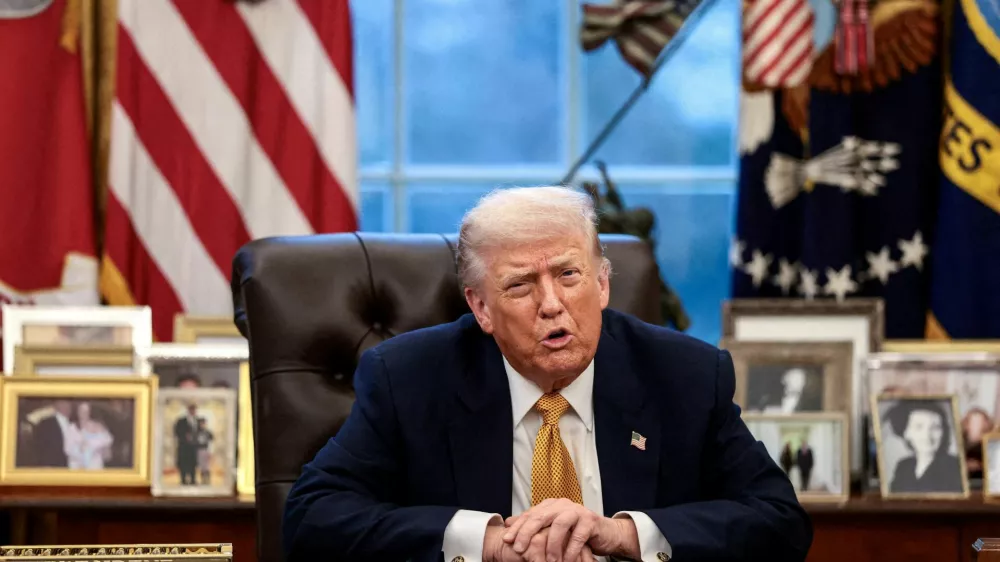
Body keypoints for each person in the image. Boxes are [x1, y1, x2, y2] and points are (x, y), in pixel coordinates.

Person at [282, 186, 812, 562]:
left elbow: (779, 522)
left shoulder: (686, 375)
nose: (552, 305)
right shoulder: (409, 379)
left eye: (569, 275)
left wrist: (623, 535)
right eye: (519, 286)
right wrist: (487, 542)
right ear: (481, 308)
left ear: (602, 285)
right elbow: (312, 518)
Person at [886, 400, 964, 494]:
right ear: (906, 433)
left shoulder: (955, 466)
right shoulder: (903, 467)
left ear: (944, 432)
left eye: (935, 427)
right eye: (919, 427)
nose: (927, 435)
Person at [65, 402, 114, 470]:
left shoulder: (97, 426)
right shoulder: (72, 428)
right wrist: (80, 449)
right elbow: (67, 449)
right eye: (81, 411)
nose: (84, 414)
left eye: (86, 411)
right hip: (77, 469)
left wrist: (103, 449)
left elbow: (108, 441)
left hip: (95, 467)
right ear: (77, 412)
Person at [28, 399, 74, 467]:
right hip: (52, 466)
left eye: (69, 404)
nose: (68, 406)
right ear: (56, 405)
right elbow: (39, 447)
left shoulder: (73, 424)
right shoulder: (45, 423)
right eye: (63, 403)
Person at [174, 404, 200, 485]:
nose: (193, 411)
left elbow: (201, 432)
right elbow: (176, 432)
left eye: (194, 410)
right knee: (183, 463)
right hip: (183, 446)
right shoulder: (181, 421)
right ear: (188, 410)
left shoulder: (197, 421)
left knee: (192, 463)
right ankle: (183, 479)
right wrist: (184, 436)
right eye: (191, 410)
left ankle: (193, 479)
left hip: (193, 447)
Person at [196, 417, 214, 484]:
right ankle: (203, 479)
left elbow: (211, 442)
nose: (202, 425)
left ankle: (207, 479)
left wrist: (211, 452)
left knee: (206, 466)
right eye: (201, 423)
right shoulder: (197, 432)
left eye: (204, 423)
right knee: (201, 466)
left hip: (206, 450)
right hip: (199, 450)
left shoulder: (208, 432)